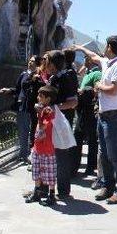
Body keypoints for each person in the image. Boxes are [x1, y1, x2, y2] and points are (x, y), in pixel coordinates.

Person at [76, 36, 117, 204]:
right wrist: (79, 47)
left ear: (109, 47)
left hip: (114, 116)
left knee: (116, 156)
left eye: (105, 46)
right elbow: (94, 56)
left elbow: (114, 90)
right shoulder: (109, 62)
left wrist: (99, 86)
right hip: (104, 115)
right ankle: (108, 186)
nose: (103, 49)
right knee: (105, 154)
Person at [44, 50, 78, 199]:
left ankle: (63, 191)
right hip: (50, 122)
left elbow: (73, 102)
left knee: (61, 157)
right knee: (48, 155)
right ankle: (44, 189)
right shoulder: (54, 78)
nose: (45, 64)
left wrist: (55, 108)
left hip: (61, 123)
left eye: (47, 61)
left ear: (52, 63)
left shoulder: (67, 77)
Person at [0, 55, 43, 163]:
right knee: (22, 131)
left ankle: (30, 154)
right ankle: (23, 154)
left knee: (31, 131)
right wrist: (9, 90)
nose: (30, 62)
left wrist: (34, 80)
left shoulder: (39, 77)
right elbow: (18, 89)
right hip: (21, 106)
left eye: (33, 61)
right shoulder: (24, 74)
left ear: (37, 64)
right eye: (30, 61)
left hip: (31, 107)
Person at [25, 86, 59, 206]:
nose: (38, 98)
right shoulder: (42, 109)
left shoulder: (49, 110)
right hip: (38, 147)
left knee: (50, 172)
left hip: (47, 147)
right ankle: (37, 192)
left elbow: (44, 126)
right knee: (36, 171)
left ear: (48, 99)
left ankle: (51, 194)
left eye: (41, 96)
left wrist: (40, 113)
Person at [75, 56, 101, 176]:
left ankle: (90, 167)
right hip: (83, 110)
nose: (84, 59)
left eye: (86, 58)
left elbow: (97, 89)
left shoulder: (96, 74)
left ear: (91, 60)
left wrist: (84, 90)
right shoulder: (87, 73)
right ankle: (76, 166)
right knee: (79, 137)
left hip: (90, 111)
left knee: (91, 140)